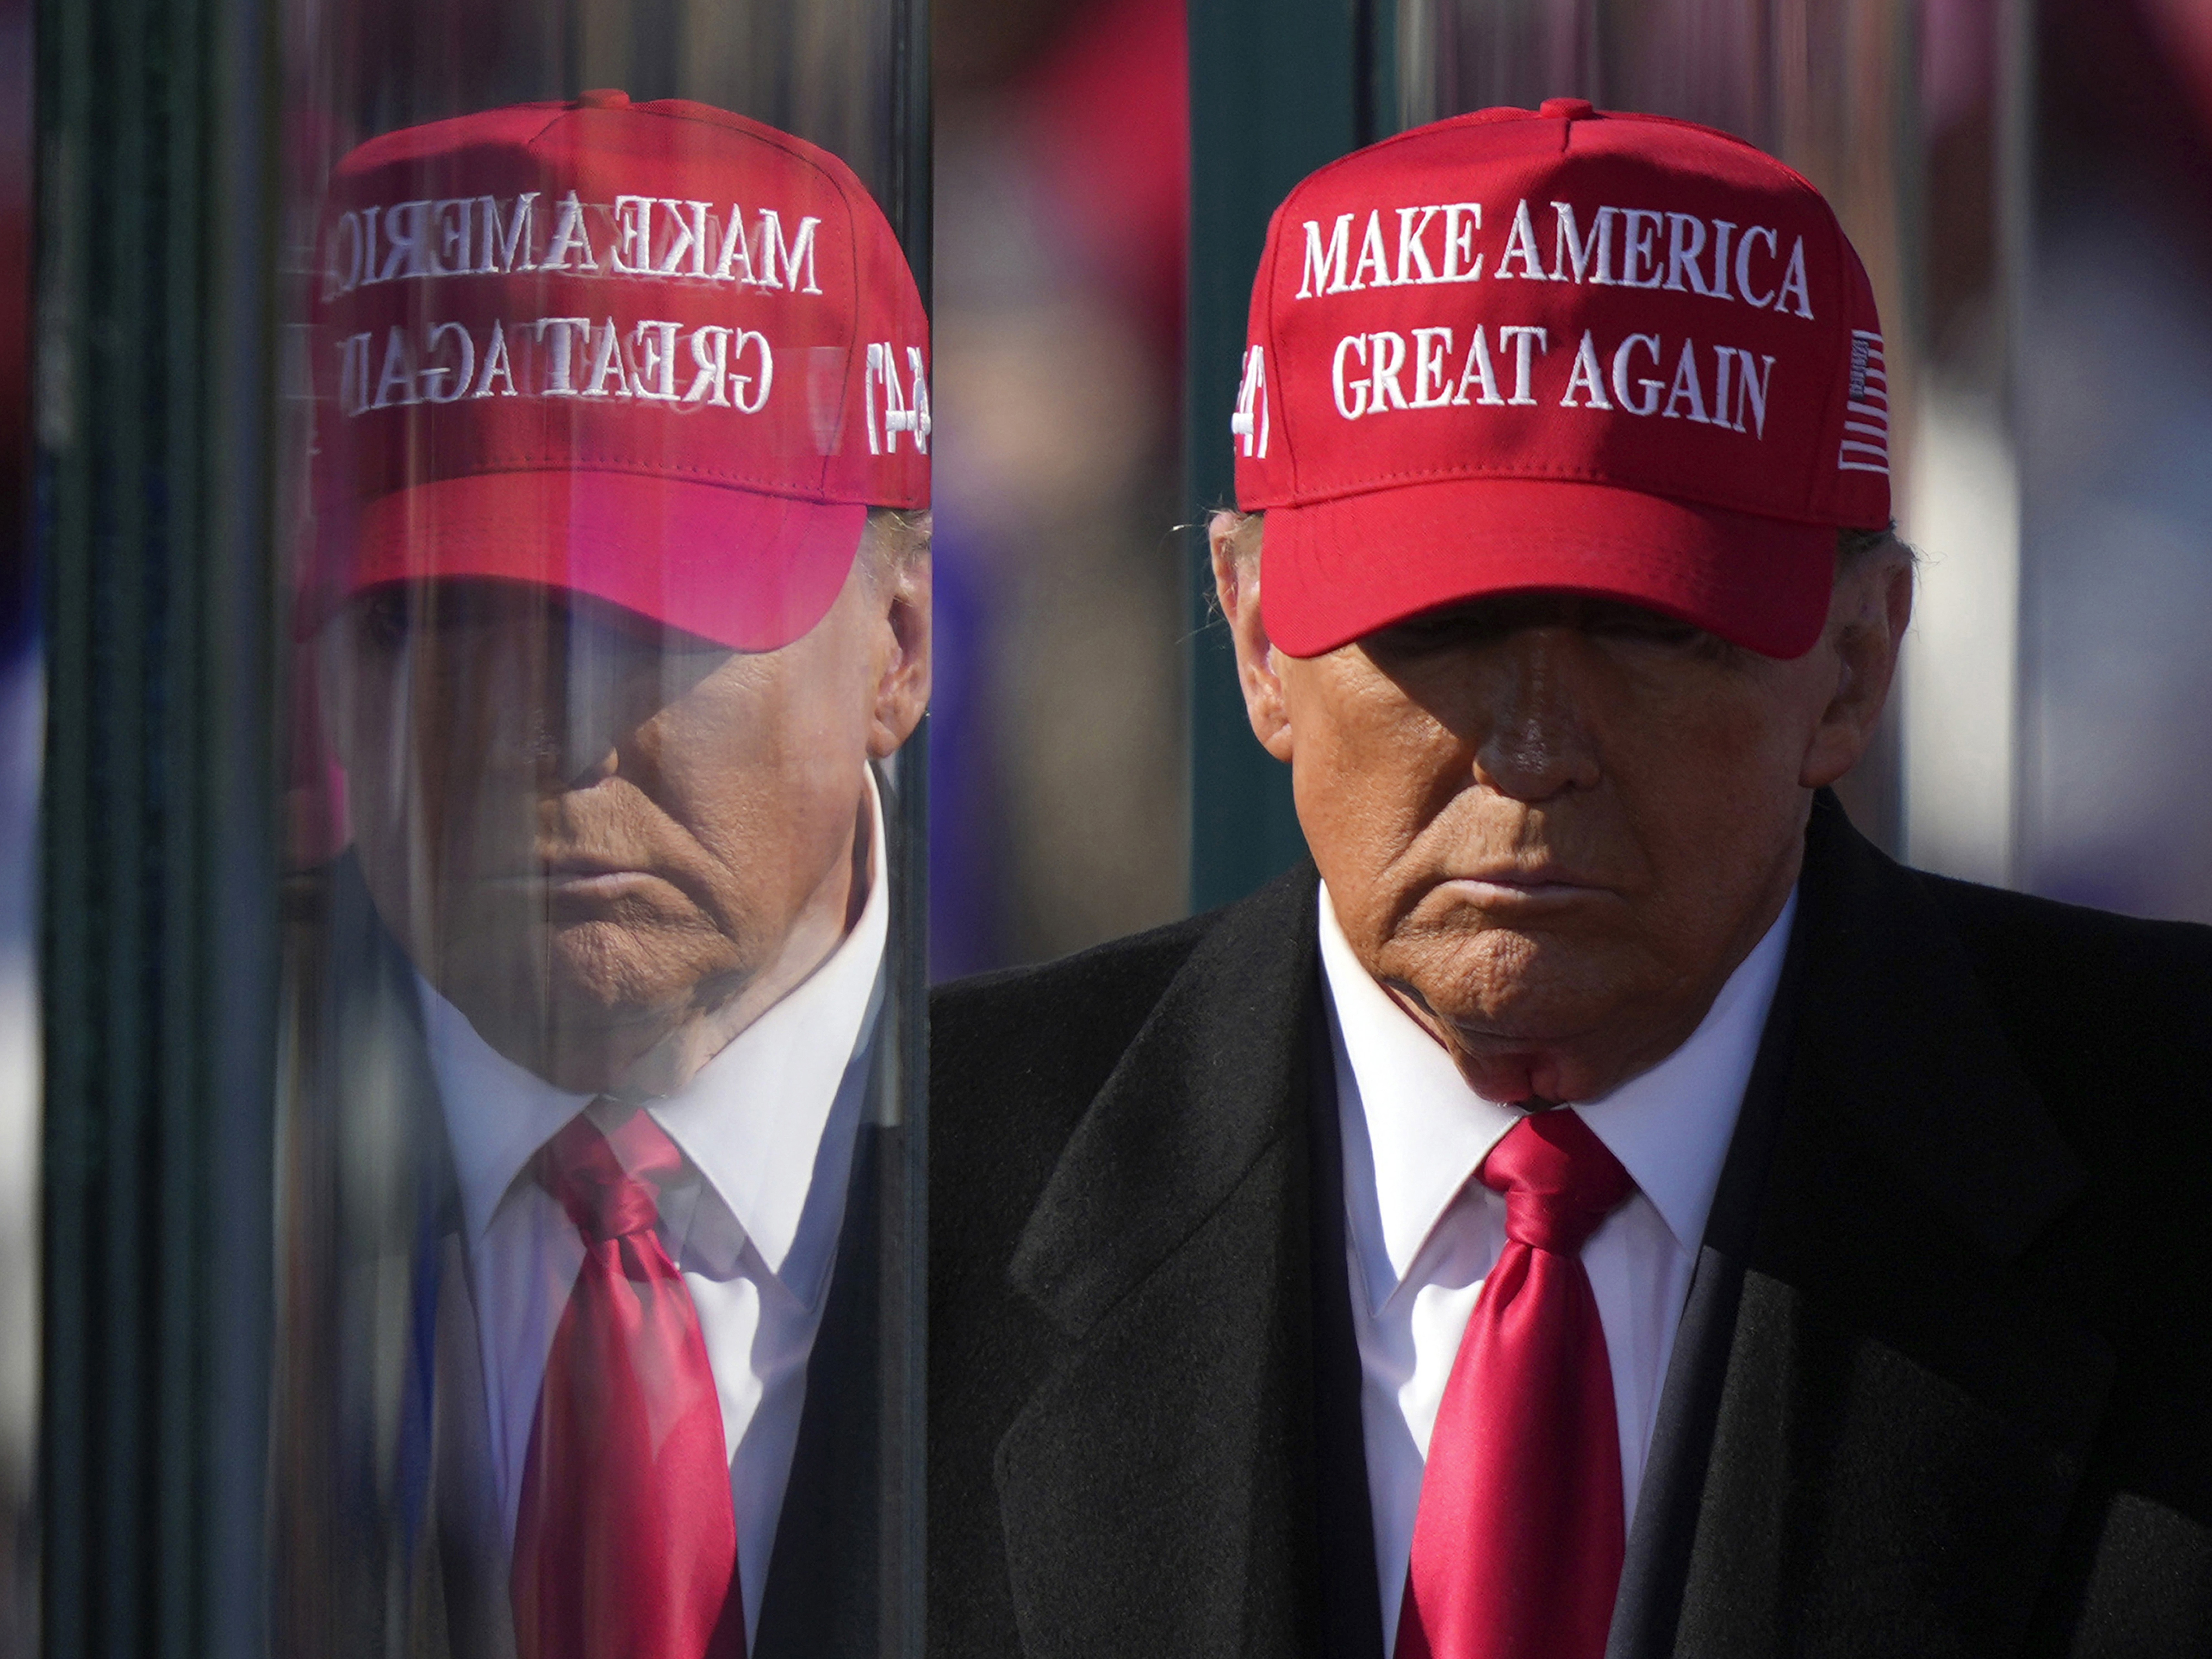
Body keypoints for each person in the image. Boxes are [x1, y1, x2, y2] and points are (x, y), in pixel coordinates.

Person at [928, 99, 2212, 1658]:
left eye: (1651, 631)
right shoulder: (897, 1207)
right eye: (1437, 631)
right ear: (1259, 641)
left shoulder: (2166, 1162)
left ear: (1856, 663)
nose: (1533, 748)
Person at [275, 92, 930, 1659]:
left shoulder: (1168, 1170)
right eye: (438, 624)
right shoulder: (136, 1191)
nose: (545, 737)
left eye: (651, 626)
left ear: (896, 646)